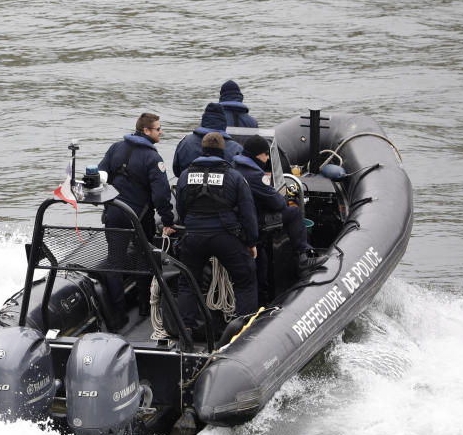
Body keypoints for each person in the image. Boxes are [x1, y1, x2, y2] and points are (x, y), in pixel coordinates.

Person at [175, 132, 259, 334]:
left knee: (187, 282)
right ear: (223, 152)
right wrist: (251, 241)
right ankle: (243, 330)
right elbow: (248, 213)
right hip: (226, 237)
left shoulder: (186, 175)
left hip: (193, 236)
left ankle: (185, 329)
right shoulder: (234, 176)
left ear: (201, 150)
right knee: (245, 279)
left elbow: (181, 208)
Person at [98, 112, 176, 325]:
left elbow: (99, 176)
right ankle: (144, 307)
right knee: (145, 260)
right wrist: (168, 220)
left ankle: (119, 316)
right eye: (158, 129)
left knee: (114, 262)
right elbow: (161, 194)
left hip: (114, 213)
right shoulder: (153, 157)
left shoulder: (116, 148)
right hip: (139, 218)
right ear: (146, 131)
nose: (161, 132)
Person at [232, 135, 322, 299]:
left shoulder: (235, 167)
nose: (267, 158)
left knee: (262, 261)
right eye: (266, 154)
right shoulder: (255, 175)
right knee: (294, 214)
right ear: (258, 155)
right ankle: (303, 257)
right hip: (253, 223)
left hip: (236, 221)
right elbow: (278, 203)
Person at [172, 102, 245, 177]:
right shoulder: (236, 148)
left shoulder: (185, 142)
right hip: (226, 187)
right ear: (223, 121)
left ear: (204, 118)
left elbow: (177, 171)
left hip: (187, 186)